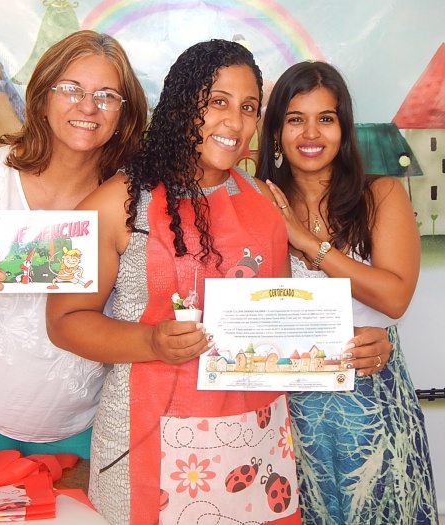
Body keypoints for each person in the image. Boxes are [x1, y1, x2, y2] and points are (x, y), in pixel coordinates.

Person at [47, 39, 303, 525]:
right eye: (218, 102)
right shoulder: (110, 203)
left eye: (249, 107)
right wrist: (151, 341)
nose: (235, 122)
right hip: (145, 440)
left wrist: (338, 344)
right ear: (183, 105)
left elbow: (281, 321)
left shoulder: (265, 202)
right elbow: (62, 322)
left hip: (253, 438)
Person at [0, 30, 147, 460]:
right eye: (71, 89)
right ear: (41, 99)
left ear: (124, 114)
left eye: (107, 95)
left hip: (82, 417)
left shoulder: (135, 200)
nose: (88, 106)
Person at [256, 61, 438, 525]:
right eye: (295, 119)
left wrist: (307, 242)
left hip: (370, 402)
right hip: (285, 409)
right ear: (275, 130)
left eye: (326, 118)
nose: (310, 133)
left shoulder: (381, 194)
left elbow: (394, 298)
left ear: (344, 128)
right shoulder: (256, 201)